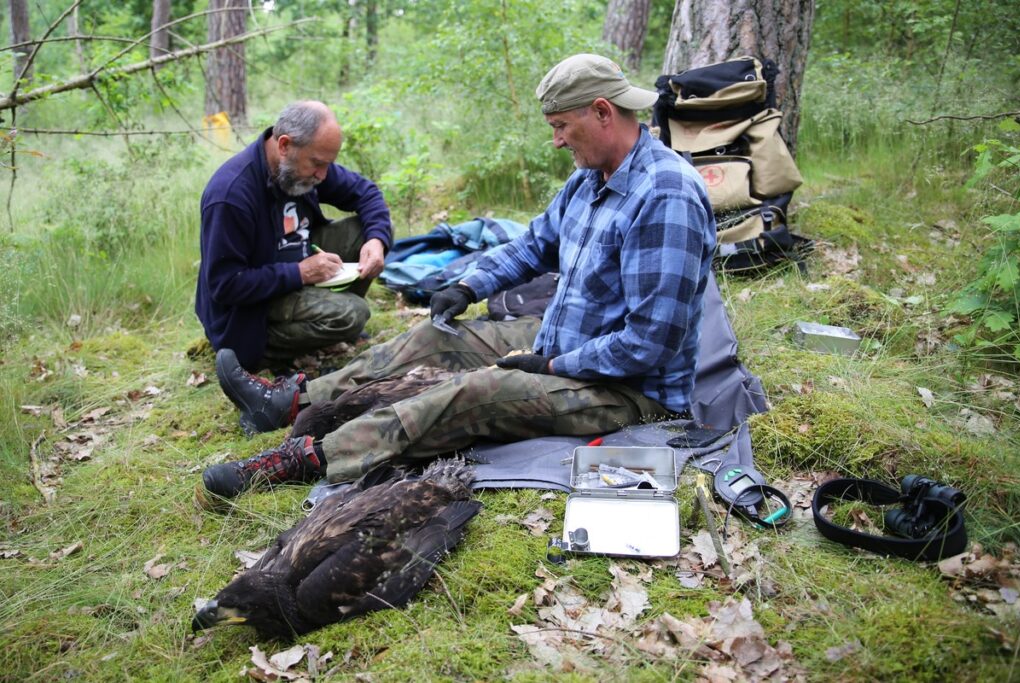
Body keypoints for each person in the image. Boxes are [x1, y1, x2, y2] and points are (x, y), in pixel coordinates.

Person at [197, 54, 717, 503]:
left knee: (477, 390)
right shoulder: (590, 179)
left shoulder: (663, 195)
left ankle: (307, 458)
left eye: (561, 126)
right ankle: (291, 402)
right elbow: (535, 244)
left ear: (602, 112)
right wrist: (470, 285)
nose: (557, 142)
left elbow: (648, 345)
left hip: (625, 386)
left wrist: (554, 364)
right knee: (434, 338)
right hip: (565, 336)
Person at [195, 100, 392, 381]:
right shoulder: (231, 195)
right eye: (317, 164)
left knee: (369, 230)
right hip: (249, 311)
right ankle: (265, 351)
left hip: (293, 267)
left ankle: (323, 318)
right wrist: (300, 273)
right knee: (352, 314)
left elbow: (367, 193)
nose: (323, 175)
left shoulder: (303, 164)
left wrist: (376, 241)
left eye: (328, 165)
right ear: (285, 145)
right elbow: (225, 285)